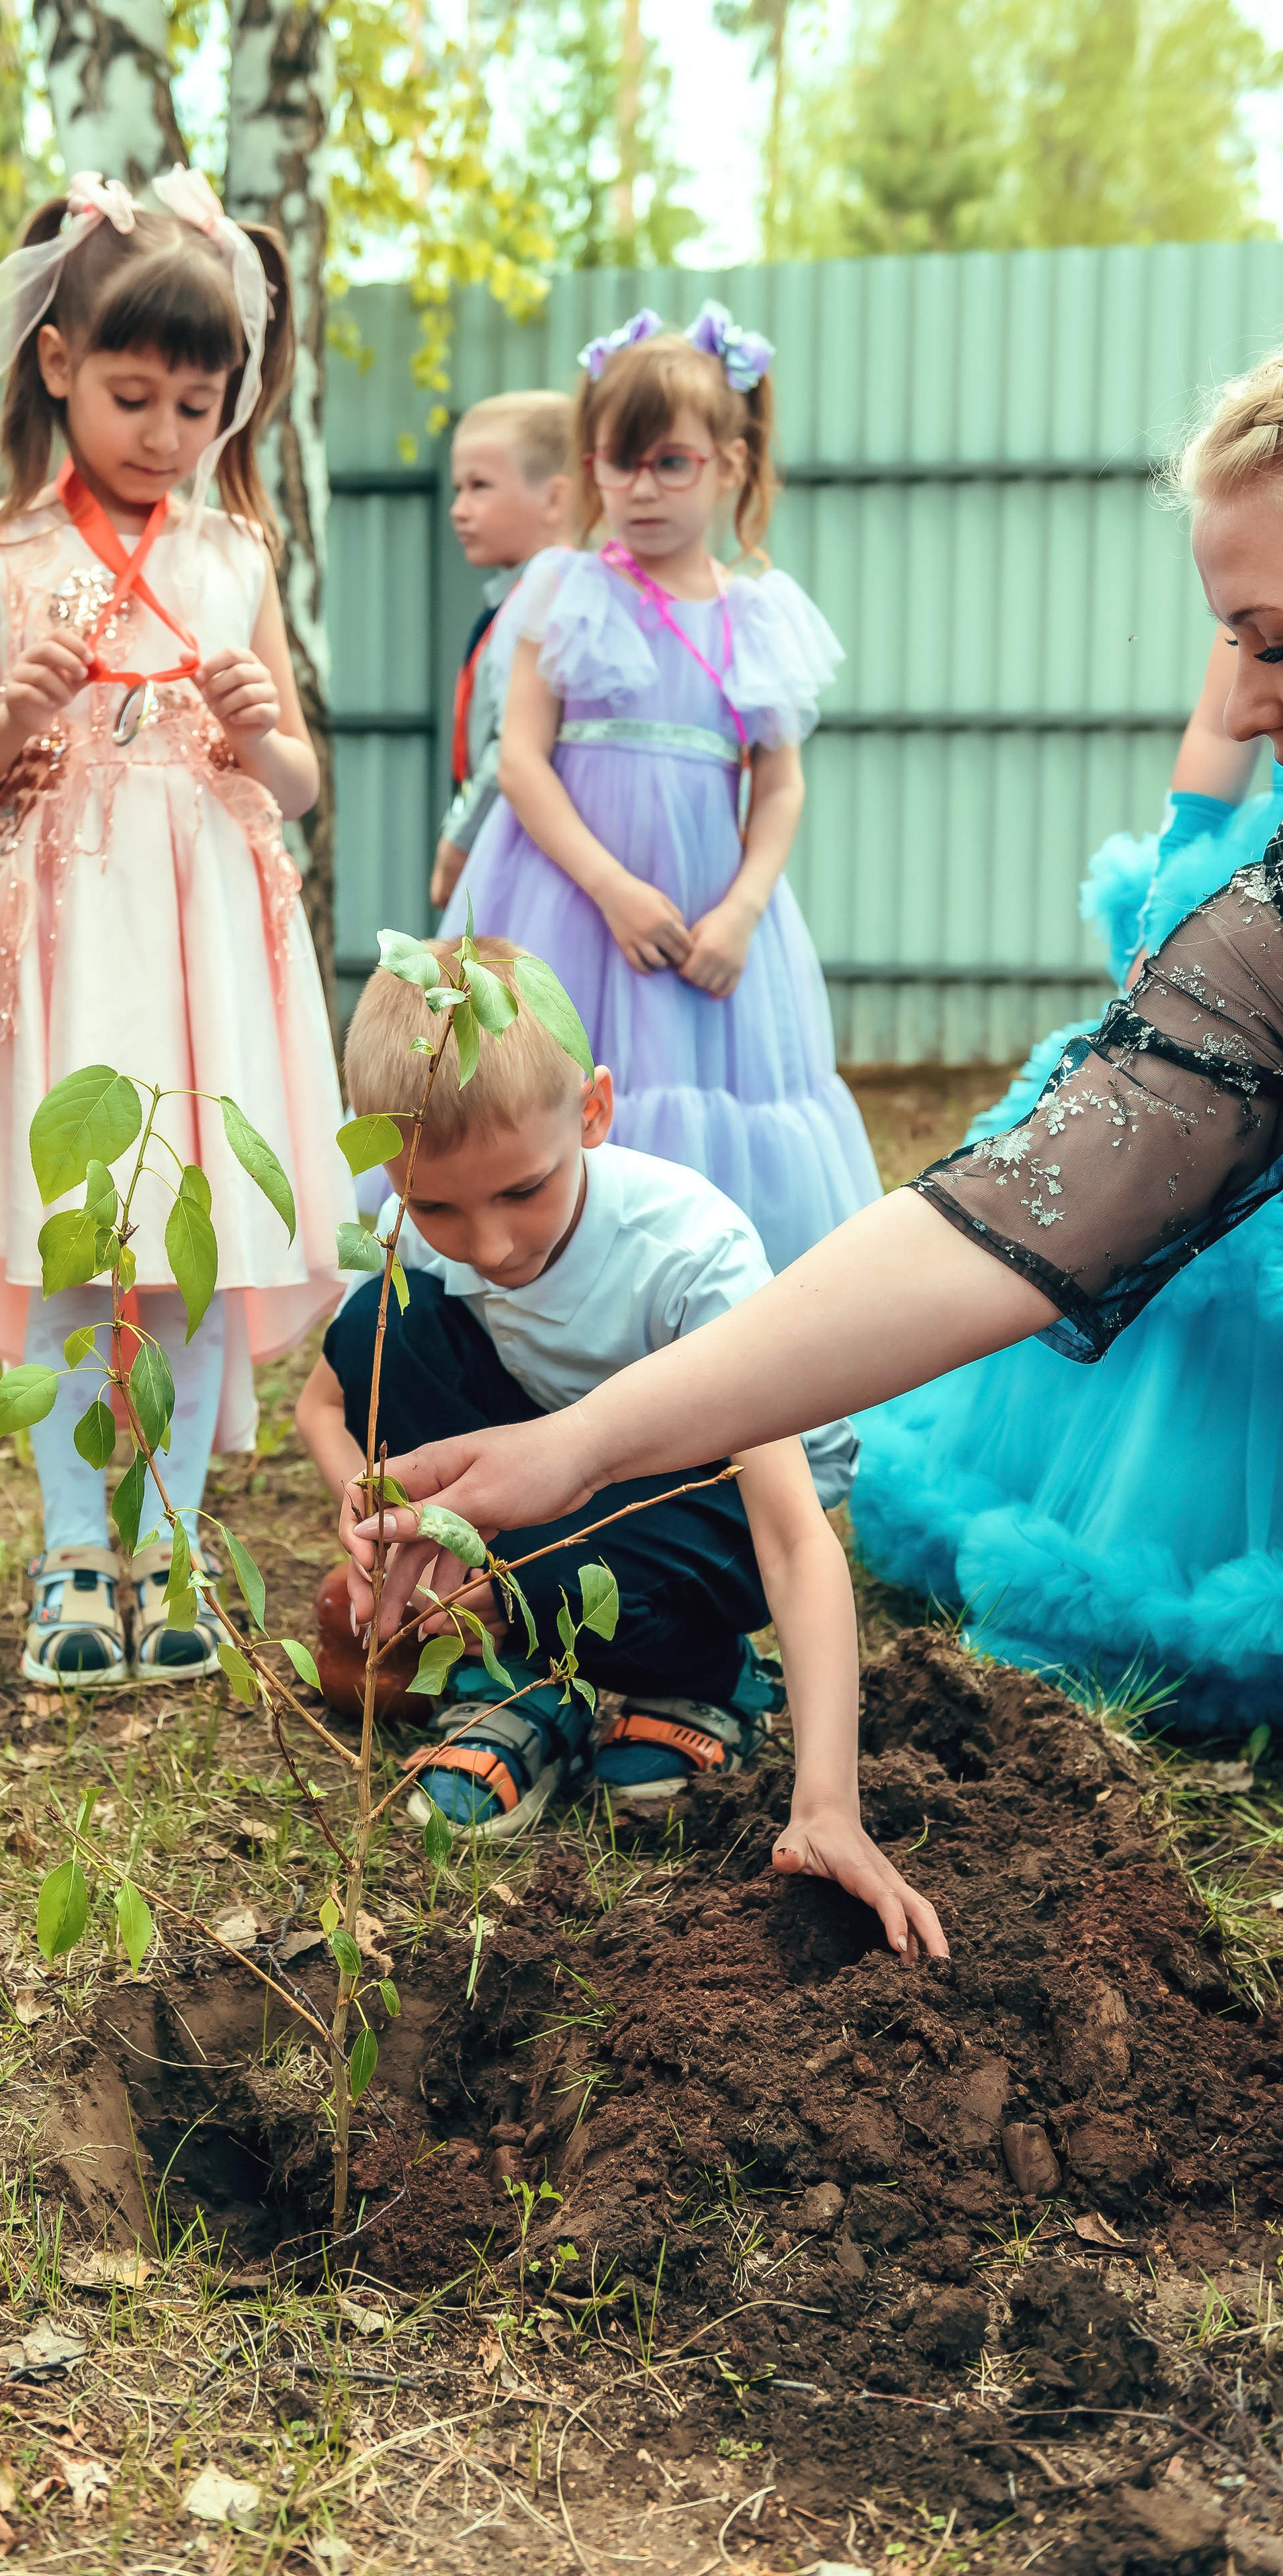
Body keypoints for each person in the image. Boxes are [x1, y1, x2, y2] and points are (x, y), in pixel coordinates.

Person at [347, 343, 1283, 1829]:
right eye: (1227, 643)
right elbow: (1022, 1215)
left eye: (1271, 647)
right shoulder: (1260, 945)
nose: (1230, 715)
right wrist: (574, 1444)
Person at [0, 168, 351, 1691]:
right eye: (132, 396)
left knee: (190, 1250)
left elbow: (301, 781)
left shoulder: (234, 557)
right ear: (55, 365)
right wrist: (14, 712)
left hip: (205, 936)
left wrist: (268, 734)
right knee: (83, 1242)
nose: (164, 434)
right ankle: (78, 1539)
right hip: (60, 929)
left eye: (196, 408)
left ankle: (173, 1536)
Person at [292, 941, 942, 1955]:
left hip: (721, 1497)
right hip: (553, 1476)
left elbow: (792, 1536)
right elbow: (324, 1409)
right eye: (436, 1205)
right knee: (388, 1320)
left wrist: (829, 1801)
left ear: (593, 1112)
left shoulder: (687, 1255)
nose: (490, 1243)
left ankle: (704, 1678)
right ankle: (546, 1672)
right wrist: (383, 1522)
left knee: (562, 1545)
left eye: (522, 1190)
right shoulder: (409, 1230)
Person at [852, 643, 1283, 1726]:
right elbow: (1225, 717)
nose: (1250, 671)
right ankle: (1140, 1550)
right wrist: (1182, 868)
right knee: (1156, 1199)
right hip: (1254, 884)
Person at [439, 304, 880, 1274]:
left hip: (708, 925)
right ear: (590, 465)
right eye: (617, 460)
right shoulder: (566, 588)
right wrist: (610, 888)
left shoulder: (756, 618)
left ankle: (695, 1334)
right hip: (567, 901)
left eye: (670, 461)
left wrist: (742, 912)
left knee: (692, 1116)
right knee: (538, 1096)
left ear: (730, 461)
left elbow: (778, 787)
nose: (641, 487)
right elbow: (519, 758)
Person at [429, 393, 573, 914]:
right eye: (458, 489)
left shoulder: (551, 591)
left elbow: (508, 739)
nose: (459, 509)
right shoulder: (516, 592)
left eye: (479, 487)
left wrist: (459, 839)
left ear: (555, 499)